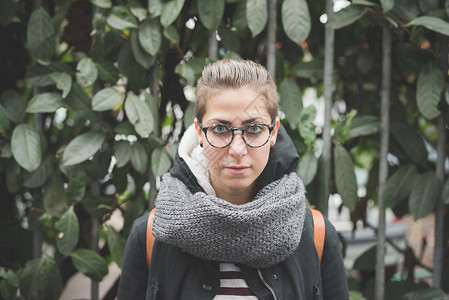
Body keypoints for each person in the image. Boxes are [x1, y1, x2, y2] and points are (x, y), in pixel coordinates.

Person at [117, 59, 349, 299]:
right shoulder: (151, 235)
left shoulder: (317, 236)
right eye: (219, 129)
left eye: (254, 129)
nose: (237, 149)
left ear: (274, 132)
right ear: (199, 133)